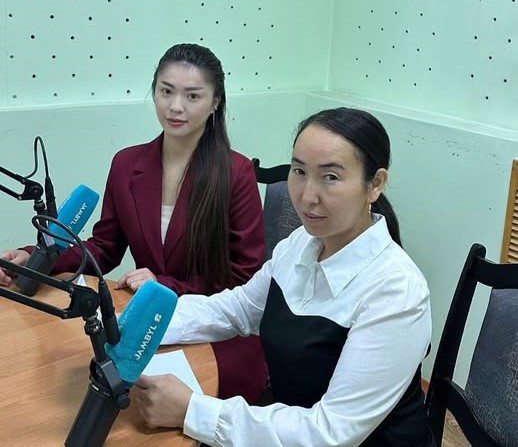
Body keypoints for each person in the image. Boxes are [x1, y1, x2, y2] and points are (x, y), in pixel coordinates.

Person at [133, 107, 433, 447]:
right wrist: (142, 323)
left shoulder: (396, 291)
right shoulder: (300, 244)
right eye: (299, 171)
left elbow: (331, 433)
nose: (306, 196)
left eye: (330, 177)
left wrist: (192, 411)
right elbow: (238, 309)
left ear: (375, 184)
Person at [0, 43, 268, 403]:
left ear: (215, 102)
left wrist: (165, 285)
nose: (175, 106)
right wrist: (34, 258)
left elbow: (244, 280)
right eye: (166, 91)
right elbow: (104, 248)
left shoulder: (237, 173)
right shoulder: (127, 164)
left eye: (192, 96)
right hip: (144, 326)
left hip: (216, 334)